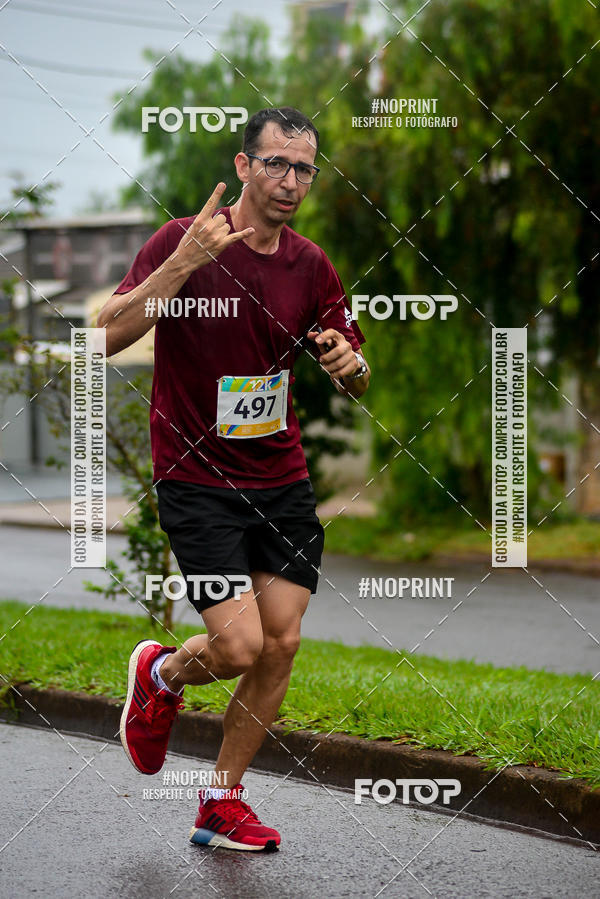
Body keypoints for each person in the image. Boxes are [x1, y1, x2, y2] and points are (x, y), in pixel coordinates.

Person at [97, 106, 370, 852]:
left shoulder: (311, 265)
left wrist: (352, 364)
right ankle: (162, 674)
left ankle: (220, 802)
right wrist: (183, 260)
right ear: (244, 166)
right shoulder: (182, 239)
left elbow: (352, 359)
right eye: (276, 163)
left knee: (281, 642)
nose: (290, 180)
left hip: (279, 478)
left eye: (304, 168)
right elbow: (105, 334)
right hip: (196, 476)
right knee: (241, 645)